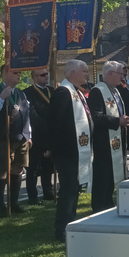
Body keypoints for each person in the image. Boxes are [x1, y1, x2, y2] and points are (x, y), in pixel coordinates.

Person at [50, 59, 94, 241]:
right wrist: (52, 149)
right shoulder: (63, 92)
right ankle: (61, 229)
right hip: (67, 151)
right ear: (72, 73)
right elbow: (55, 123)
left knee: (73, 189)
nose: (87, 75)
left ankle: (70, 221)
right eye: (84, 71)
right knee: (68, 190)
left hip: (77, 150)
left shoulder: (77, 92)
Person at [0, 64, 32, 216]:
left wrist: (29, 135)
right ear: (5, 72)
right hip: (3, 138)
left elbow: (26, 116)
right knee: (2, 171)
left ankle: (14, 203)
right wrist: (2, 97)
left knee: (18, 168)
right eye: (15, 72)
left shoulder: (20, 93)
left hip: (21, 137)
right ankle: (0, 207)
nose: (18, 75)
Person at [88, 61, 129, 213]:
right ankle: (100, 207)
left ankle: (107, 204)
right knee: (103, 177)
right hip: (103, 142)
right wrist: (118, 121)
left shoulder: (114, 90)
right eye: (121, 74)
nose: (123, 77)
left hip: (116, 141)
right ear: (111, 73)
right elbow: (96, 116)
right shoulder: (98, 91)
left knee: (110, 177)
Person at [22, 68, 55, 204]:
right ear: (34, 77)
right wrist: (45, 127)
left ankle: (48, 192)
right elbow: (32, 113)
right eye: (42, 75)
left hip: (50, 134)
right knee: (33, 168)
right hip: (36, 134)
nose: (45, 77)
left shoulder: (52, 91)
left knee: (48, 166)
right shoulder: (28, 92)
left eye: (46, 74)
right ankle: (33, 196)